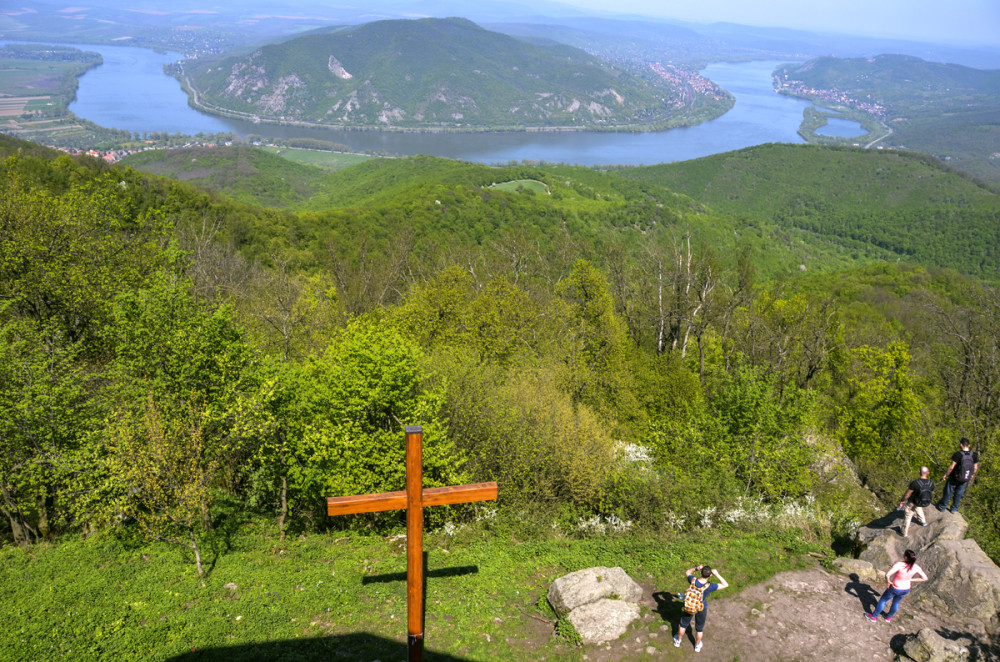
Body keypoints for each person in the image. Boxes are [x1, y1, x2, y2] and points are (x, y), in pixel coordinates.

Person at [674, 564, 728, 653]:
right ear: (710, 575)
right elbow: (725, 584)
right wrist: (717, 574)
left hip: (689, 606)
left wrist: (696, 568)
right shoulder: (711, 586)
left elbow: (687, 572)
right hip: (702, 608)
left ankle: (678, 641)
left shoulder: (692, 580)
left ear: (700, 572)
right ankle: (697, 646)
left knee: (683, 624)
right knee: (699, 628)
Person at [866, 549, 927, 623]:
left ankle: (873, 617)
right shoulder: (916, 567)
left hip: (895, 588)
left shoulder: (900, 565)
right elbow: (925, 578)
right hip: (906, 589)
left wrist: (888, 581)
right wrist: (910, 580)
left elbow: (888, 574)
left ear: (906, 557)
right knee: (896, 603)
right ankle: (888, 618)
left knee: (883, 600)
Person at [937, 437, 979, 513]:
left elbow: (951, 467)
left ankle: (942, 506)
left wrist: (945, 474)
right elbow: (975, 467)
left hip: (954, 477)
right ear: (969, 445)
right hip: (965, 477)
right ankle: (954, 509)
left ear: (961, 445)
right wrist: (972, 475)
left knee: (948, 491)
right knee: (959, 493)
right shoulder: (974, 455)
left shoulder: (958, 454)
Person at [898, 466, 934, 538]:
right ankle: (923, 522)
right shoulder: (931, 483)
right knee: (918, 508)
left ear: (919, 472)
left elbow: (908, 494)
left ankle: (904, 532)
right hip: (923, 501)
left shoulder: (915, 483)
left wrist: (902, 500)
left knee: (908, 515)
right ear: (928, 473)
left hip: (913, 501)